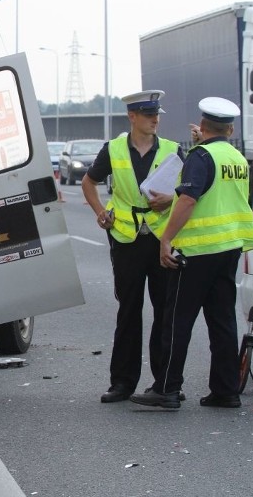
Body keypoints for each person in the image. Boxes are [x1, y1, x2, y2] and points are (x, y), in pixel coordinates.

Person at [130, 97, 253, 409]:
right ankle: (226, 390)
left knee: (177, 321)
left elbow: (189, 200)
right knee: (223, 321)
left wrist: (166, 240)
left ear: (201, 126)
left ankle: (167, 388)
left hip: (197, 251)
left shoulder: (201, 157)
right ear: (230, 129)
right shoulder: (237, 158)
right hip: (229, 248)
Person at [82, 89, 185, 403]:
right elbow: (89, 182)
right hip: (126, 238)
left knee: (165, 311)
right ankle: (122, 383)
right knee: (129, 310)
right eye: (149, 114)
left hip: (161, 238)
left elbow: (191, 191)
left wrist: (172, 197)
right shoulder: (113, 149)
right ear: (132, 116)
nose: (155, 120)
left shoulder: (173, 149)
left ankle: (164, 384)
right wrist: (101, 213)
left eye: (157, 115)